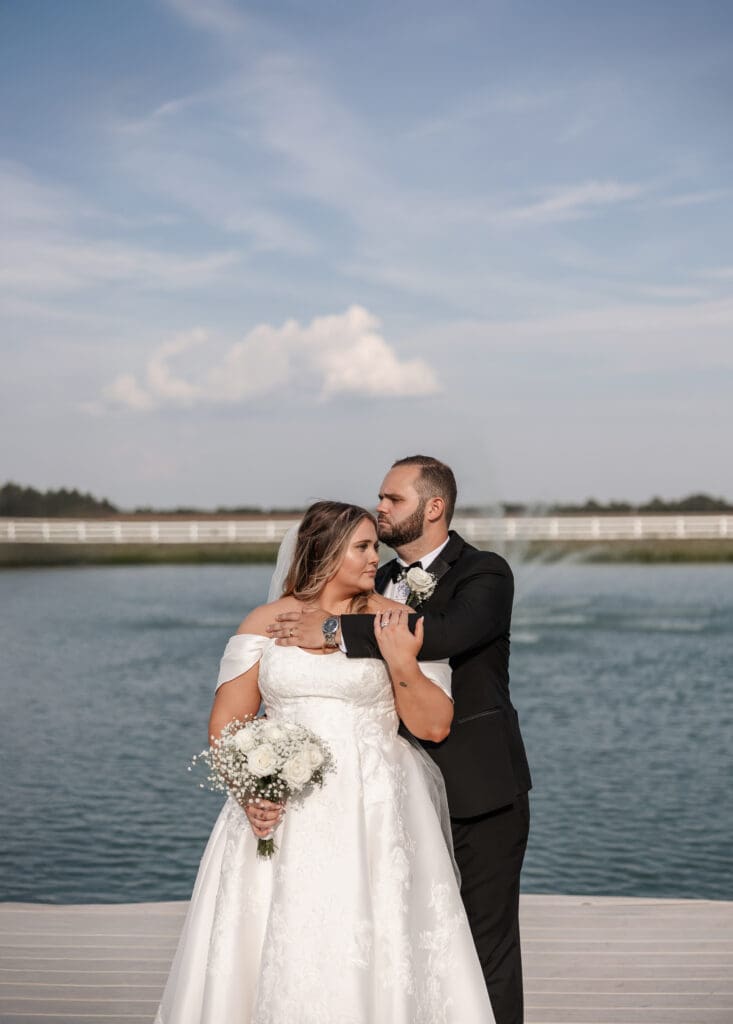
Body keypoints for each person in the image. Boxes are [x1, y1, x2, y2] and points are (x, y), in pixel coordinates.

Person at [155, 500, 495, 1024]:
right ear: (324, 551)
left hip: (376, 806)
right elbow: (226, 724)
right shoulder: (265, 622)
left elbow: (434, 725)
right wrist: (250, 791)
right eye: (361, 547)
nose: (373, 558)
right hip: (283, 812)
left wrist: (400, 656)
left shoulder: (399, 618)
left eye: (373, 547)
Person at [266, 457, 531, 1024]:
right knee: (408, 941)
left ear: (433, 507)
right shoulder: (375, 577)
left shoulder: (486, 573)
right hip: (388, 793)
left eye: (393, 499)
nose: (380, 508)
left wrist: (333, 630)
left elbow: (445, 634)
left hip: (477, 788)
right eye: (380, 499)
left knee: (485, 946)